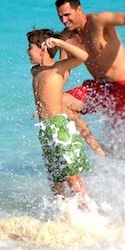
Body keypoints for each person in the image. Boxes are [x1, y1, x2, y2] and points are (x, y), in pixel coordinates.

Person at [27, 28, 106, 198]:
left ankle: (87, 211)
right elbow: (45, 93)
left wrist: (60, 43)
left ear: (42, 48)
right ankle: (64, 217)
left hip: (60, 126)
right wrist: (41, 107)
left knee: (72, 178)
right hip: (46, 130)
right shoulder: (35, 71)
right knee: (56, 183)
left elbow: (83, 56)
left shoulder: (59, 69)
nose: (27, 51)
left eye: (30, 47)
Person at [55, 0, 125, 137]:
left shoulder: (99, 21)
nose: (64, 20)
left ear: (79, 9)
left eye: (67, 15)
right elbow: (64, 70)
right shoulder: (66, 38)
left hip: (124, 88)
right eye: (60, 17)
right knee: (59, 101)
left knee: (118, 142)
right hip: (99, 89)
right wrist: (48, 93)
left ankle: (116, 157)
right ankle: (94, 147)